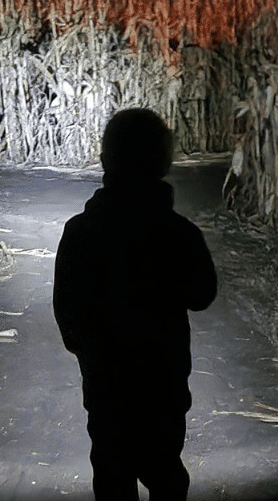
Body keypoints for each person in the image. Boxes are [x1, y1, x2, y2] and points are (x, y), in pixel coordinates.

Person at [53, 108, 217, 500]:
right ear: (164, 163)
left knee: (111, 475)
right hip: (163, 383)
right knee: (165, 472)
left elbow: (68, 317)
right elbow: (202, 295)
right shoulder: (178, 233)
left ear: (106, 160)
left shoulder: (81, 232)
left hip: (106, 385)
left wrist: (94, 349)